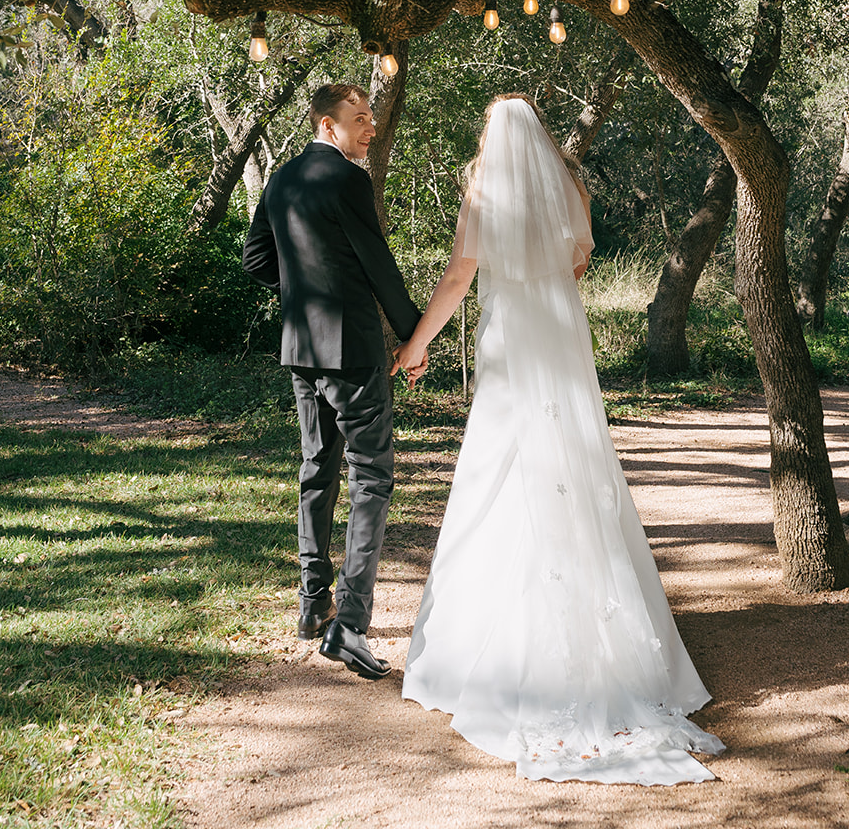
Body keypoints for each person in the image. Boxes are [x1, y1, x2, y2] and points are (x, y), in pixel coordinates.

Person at [391, 94, 725, 785]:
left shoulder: (483, 193)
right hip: (560, 346)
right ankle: (615, 654)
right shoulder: (570, 187)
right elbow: (580, 259)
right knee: (572, 465)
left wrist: (415, 344)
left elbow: (460, 275)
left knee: (498, 470)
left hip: (511, 346)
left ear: (491, 138)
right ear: (540, 137)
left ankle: (488, 653)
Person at [243, 82, 422, 680]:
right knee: (371, 476)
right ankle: (350, 623)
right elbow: (377, 262)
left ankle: (310, 601)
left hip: (301, 349)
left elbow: (257, 260)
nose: (370, 127)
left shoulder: (282, 178)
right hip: (352, 350)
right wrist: (412, 336)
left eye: (372, 117)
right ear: (327, 125)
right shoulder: (348, 179)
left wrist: (302, 295)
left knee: (316, 469)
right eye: (359, 119)